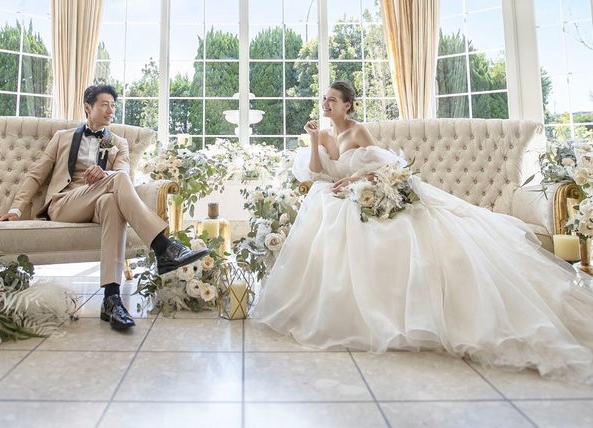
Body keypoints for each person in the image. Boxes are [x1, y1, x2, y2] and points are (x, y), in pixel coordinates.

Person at [253, 80, 593, 381]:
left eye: (332, 99)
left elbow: (386, 168)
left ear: (348, 105)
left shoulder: (358, 132)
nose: (326, 103)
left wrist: (354, 179)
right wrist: (314, 139)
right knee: (321, 202)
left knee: (394, 228)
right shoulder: (325, 134)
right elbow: (316, 173)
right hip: (338, 194)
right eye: (324, 98)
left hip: (367, 189)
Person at [0, 84, 209, 331]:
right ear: (88, 107)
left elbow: (122, 173)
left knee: (111, 202)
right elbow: (36, 174)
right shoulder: (62, 137)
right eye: (104, 105)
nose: (110, 110)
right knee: (117, 181)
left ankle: (111, 299)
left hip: (97, 204)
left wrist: (104, 173)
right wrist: (16, 209)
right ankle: (163, 247)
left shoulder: (118, 142)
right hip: (65, 204)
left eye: (113, 106)